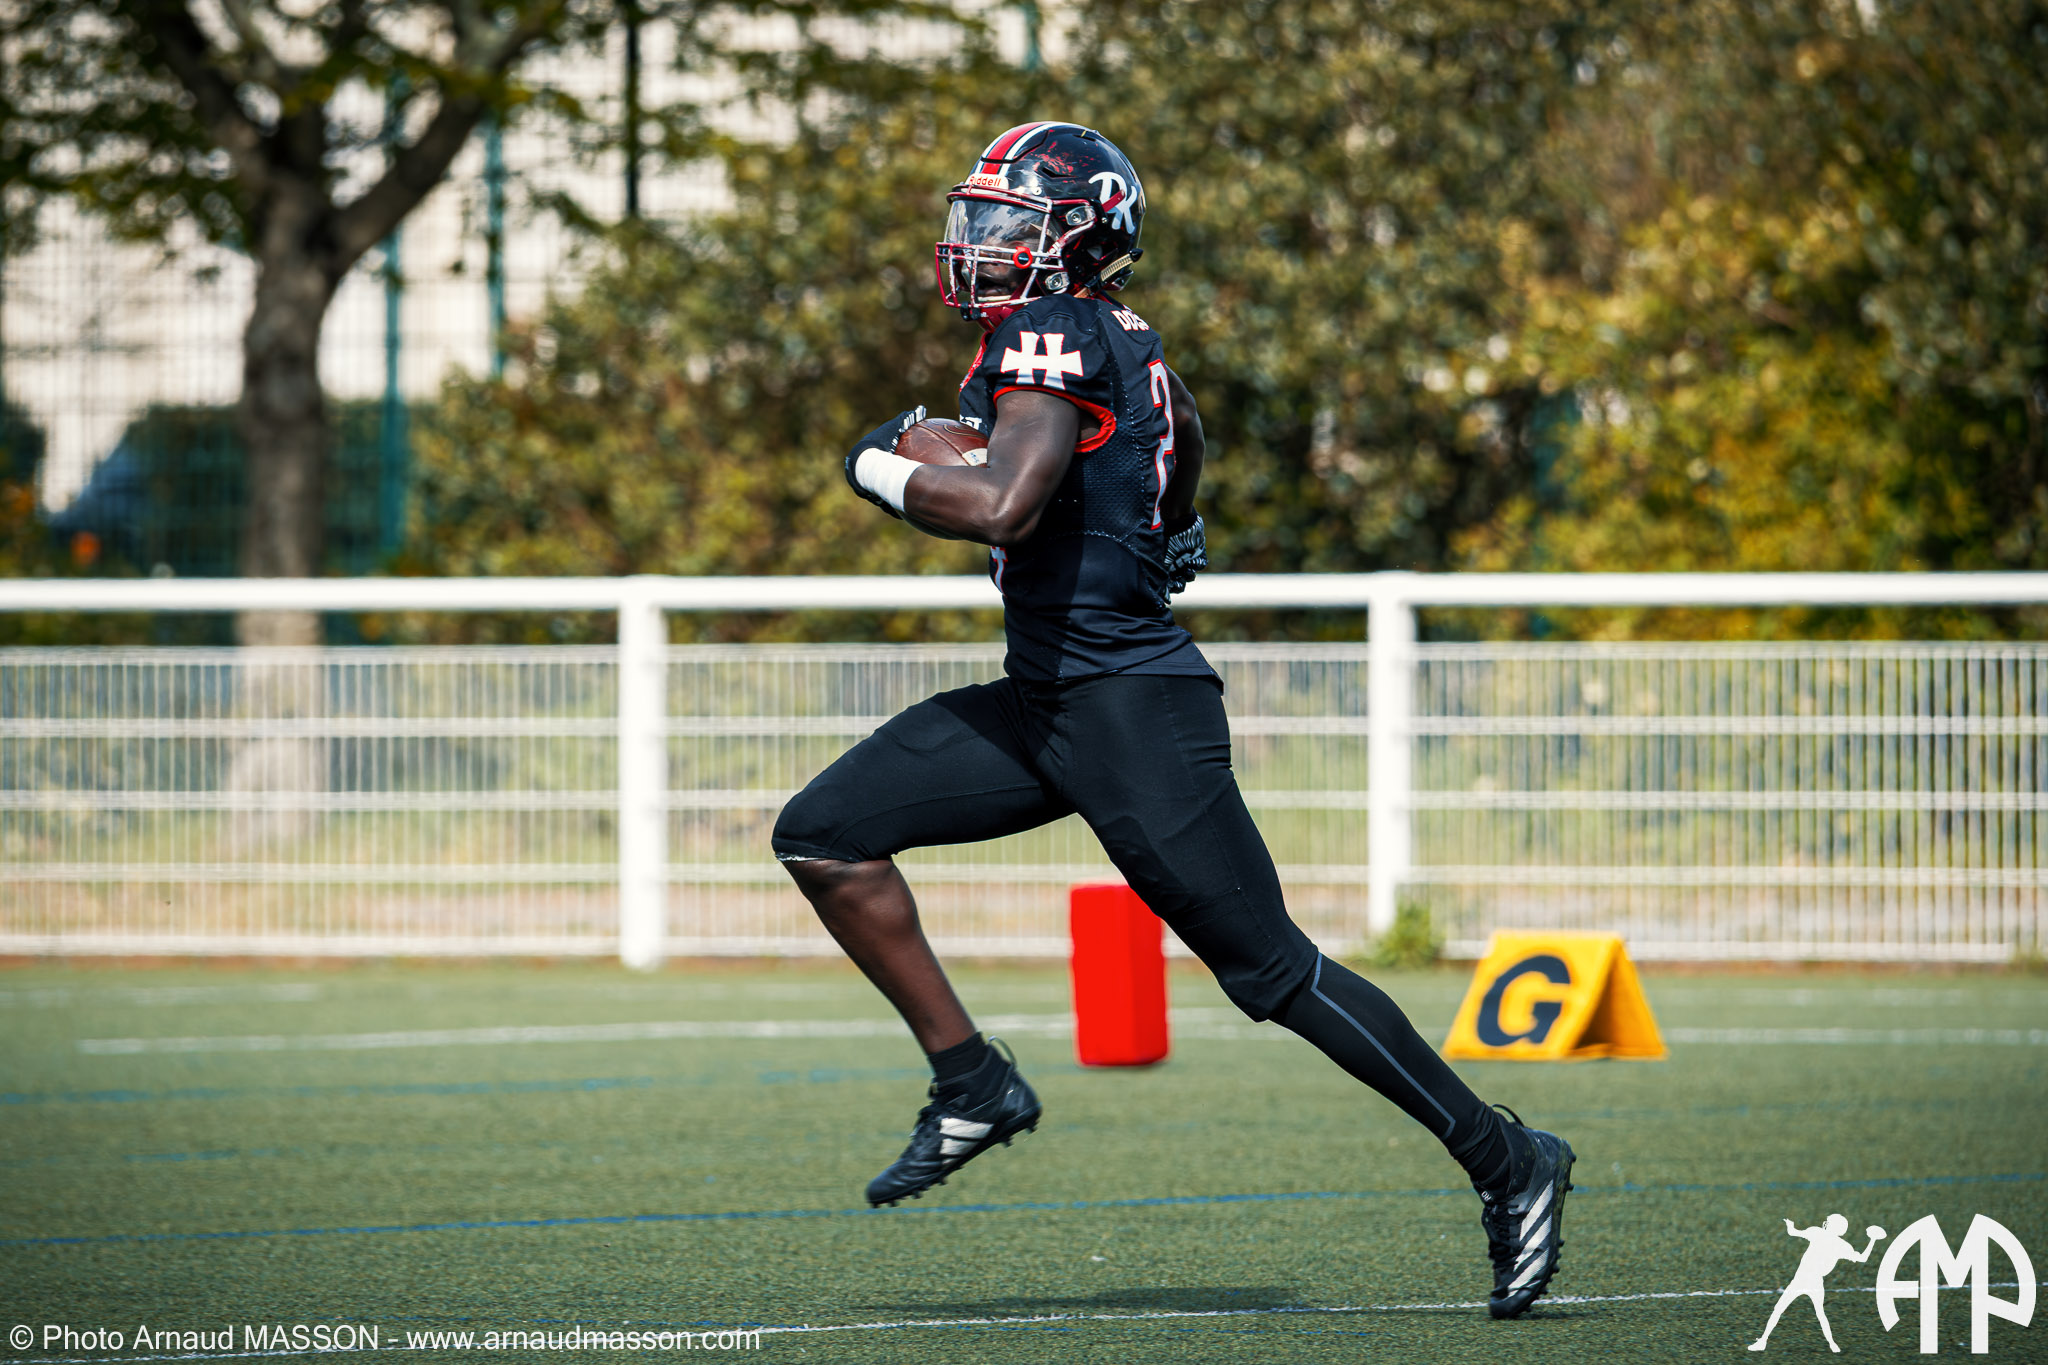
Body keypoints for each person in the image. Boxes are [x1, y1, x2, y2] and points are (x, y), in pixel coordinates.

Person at [773, 120, 1576, 1319]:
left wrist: (874, 464)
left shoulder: (1047, 329)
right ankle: (973, 1083)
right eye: (978, 218)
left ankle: (1506, 1157)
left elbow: (1001, 507)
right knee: (824, 833)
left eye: (1008, 222)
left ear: (1078, 236)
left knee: (1272, 972)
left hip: (1129, 711)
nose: (978, 240)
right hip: (1049, 699)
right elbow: (1181, 421)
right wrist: (1175, 522)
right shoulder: (1116, 332)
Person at [1748, 1214, 1885, 1351]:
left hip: (1801, 1279)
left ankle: (1763, 1341)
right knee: (1820, 1314)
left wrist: (1790, 1225)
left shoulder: (1817, 1233)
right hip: (1816, 1281)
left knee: (1779, 1309)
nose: (1825, 1223)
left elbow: (1793, 1232)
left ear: (1833, 1226)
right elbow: (1863, 1258)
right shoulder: (1843, 1245)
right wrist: (1872, 1240)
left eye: (1829, 1222)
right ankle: (1832, 1344)